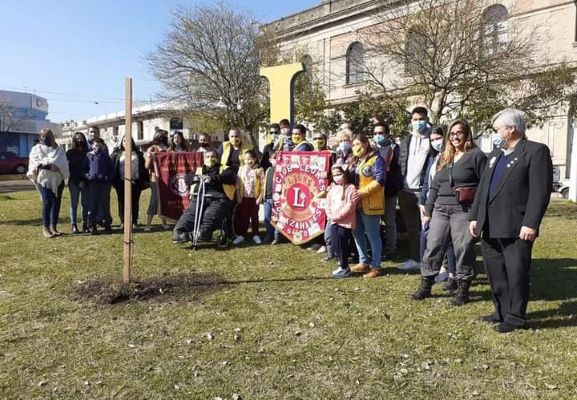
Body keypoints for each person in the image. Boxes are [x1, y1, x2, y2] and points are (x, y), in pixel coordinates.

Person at [469, 109, 552, 333]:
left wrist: (531, 222)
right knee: (495, 271)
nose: (495, 133)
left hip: (517, 224)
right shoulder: (496, 154)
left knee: (516, 271)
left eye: (497, 129)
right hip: (490, 223)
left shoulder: (535, 152)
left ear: (511, 128)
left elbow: (540, 191)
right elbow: (483, 188)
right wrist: (475, 216)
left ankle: (516, 317)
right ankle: (501, 310)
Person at [411, 119, 487, 306]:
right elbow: (435, 185)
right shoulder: (445, 156)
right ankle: (426, 284)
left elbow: (484, 186)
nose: (455, 137)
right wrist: (427, 210)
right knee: (434, 245)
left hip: (463, 209)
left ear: (467, 134)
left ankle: (463, 287)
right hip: (440, 209)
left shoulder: (476, 156)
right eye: (451, 134)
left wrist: (476, 215)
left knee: (463, 248)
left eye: (459, 133)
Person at [418, 126, 457, 290]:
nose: (435, 142)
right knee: (428, 238)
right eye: (432, 140)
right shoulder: (433, 158)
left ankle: (452, 275)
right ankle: (428, 274)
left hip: (446, 205)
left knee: (449, 242)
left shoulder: (454, 158)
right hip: (430, 204)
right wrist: (422, 202)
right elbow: (428, 182)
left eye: (437, 138)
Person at [397, 106, 435, 271]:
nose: (418, 123)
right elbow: (401, 163)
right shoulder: (406, 140)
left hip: (424, 191)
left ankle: (431, 260)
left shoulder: (433, 139)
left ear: (427, 119)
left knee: (428, 228)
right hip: (406, 191)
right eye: (415, 120)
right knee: (412, 228)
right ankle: (415, 258)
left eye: (421, 119)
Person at [172, 149, 237, 243]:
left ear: (217, 159)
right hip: (199, 198)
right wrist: (197, 178)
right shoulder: (199, 169)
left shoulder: (224, 169)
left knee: (206, 226)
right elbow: (187, 178)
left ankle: (199, 235)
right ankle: (189, 235)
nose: (210, 159)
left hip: (218, 199)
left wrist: (212, 179)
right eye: (208, 157)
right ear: (204, 159)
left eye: (213, 157)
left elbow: (229, 176)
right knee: (178, 230)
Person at [349, 134, 386, 278]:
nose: (355, 147)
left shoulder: (377, 160)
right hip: (356, 203)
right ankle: (363, 261)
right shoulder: (355, 161)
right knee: (357, 233)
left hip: (371, 203)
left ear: (366, 144)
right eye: (353, 144)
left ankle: (376, 266)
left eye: (358, 143)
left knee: (373, 235)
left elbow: (380, 180)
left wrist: (362, 193)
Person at [27, 128, 70, 238]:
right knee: (47, 203)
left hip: (58, 180)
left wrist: (58, 166)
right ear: (40, 137)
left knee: (56, 203)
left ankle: (53, 227)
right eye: (43, 136)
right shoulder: (36, 149)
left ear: (52, 136)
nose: (45, 138)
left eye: (48, 136)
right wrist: (49, 166)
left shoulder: (59, 150)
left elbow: (63, 162)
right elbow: (35, 162)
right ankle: (45, 228)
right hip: (44, 180)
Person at [372, 122, 403, 259]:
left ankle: (391, 248)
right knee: (374, 221)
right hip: (373, 191)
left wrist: (395, 186)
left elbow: (399, 169)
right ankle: (377, 247)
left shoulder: (395, 149)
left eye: (381, 133)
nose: (378, 136)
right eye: (376, 133)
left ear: (387, 134)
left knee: (389, 221)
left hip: (389, 191)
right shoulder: (371, 150)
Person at [325, 165, 359, 278]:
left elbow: (350, 206)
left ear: (344, 174)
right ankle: (341, 265)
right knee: (335, 244)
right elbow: (328, 203)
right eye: (334, 175)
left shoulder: (351, 188)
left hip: (345, 222)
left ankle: (345, 267)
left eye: (339, 174)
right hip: (333, 220)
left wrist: (338, 216)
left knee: (342, 244)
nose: (337, 177)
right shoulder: (333, 188)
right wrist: (330, 215)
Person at [111, 136, 149, 228]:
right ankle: (123, 221)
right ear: (121, 142)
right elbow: (113, 167)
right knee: (122, 201)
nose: (126, 142)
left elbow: (143, 168)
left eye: (128, 141)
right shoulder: (117, 154)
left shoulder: (138, 154)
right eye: (124, 141)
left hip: (135, 181)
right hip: (121, 181)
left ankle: (134, 221)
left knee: (135, 201)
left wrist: (145, 180)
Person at [233, 150, 264, 245]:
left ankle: (255, 234)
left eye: (250, 158)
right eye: (246, 159)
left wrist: (260, 197)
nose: (248, 161)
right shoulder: (241, 169)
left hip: (254, 198)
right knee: (244, 216)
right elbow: (238, 184)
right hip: (244, 197)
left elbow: (263, 185)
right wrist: (238, 196)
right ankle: (242, 235)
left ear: (255, 159)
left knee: (254, 216)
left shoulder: (259, 170)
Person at [85, 138, 114, 234]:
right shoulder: (88, 156)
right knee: (93, 205)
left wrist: (107, 178)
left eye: (99, 145)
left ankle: (107, 224)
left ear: (103, 146)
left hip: (104, 185)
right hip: (93, 184)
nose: (97, 147)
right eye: (96, 145)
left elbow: (112, 170)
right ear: (92, 146)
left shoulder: (106, 156)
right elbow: (84, 169)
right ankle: (92, 225)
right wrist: (88, 177)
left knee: (105, 204)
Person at [144, 130, 170, 231]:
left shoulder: (167, 148)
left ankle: (164, 222)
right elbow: (146, 166)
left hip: (166, 178)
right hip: (155, 179)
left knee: (164, 200)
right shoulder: (152, 148)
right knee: (154, 200)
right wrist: (150, 156)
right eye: (164, 136)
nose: (165, 137)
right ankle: (148, 223)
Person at [66, 131, 90, 234]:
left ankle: (85, 224)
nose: (80, 140)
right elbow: (69, 169)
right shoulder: (70, 153)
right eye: (77, 138)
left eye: (81, 138)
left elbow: (89, 168)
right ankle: (74, 225)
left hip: (86, 181)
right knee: (74, 203)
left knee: (85, 204)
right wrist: (78, 181)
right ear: (74, 140)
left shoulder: (88, 152)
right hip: (74, 181)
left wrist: (84, 180)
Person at [262, 150, 280, 244]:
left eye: (278, 158)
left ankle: (276, 237)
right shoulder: (268, 170)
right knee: (266, 218)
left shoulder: (281, 171)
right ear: (270, 159)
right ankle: (269, 235)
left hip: (276, 199)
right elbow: (264, 183)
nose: (276, 160)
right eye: (274, 158)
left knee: (276, 218)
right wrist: (262, 196)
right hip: (267, 198)